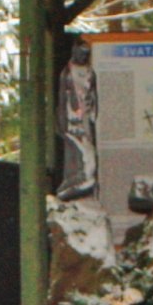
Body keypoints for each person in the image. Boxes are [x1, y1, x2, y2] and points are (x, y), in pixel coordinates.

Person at [56, 38, 100, 200]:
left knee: (88, 151)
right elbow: (62, 97)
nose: (83, 57)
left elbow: (94, 95)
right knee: (74, 153)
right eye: (81, 53)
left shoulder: (90, 72)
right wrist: (61, 119)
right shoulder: (67, 72)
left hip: (86, 119)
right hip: (71, 119)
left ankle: (84, 179)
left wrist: (93, 115)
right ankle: (72, 183)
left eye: (86, 54)